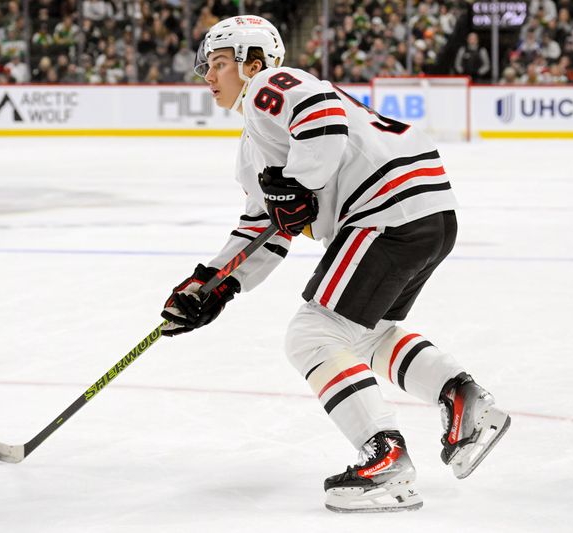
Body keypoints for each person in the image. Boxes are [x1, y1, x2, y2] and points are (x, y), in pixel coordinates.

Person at [159, 15, 511, 514]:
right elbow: (268, 229)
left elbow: (322, 113)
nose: (208, 77)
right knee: (364, 335)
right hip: (427, 213)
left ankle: (385, 459)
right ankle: (462, 398)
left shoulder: (268, 86)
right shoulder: (256, 142)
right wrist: (214, 284)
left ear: (253, 62)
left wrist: (299, 183)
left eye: (218, 64)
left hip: (385, 213)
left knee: (313, 336)